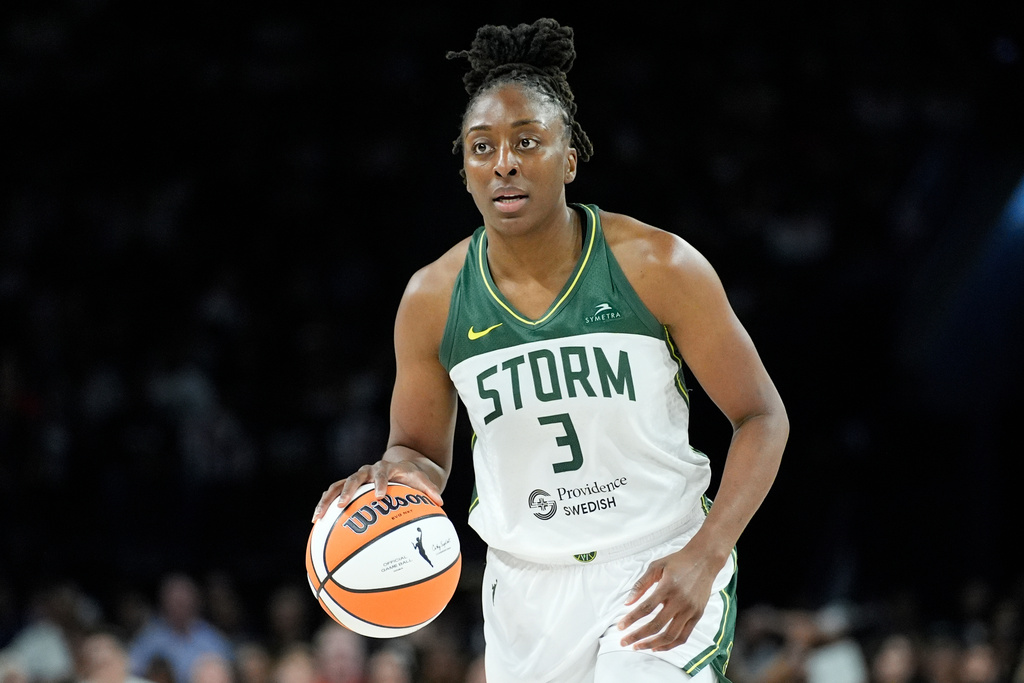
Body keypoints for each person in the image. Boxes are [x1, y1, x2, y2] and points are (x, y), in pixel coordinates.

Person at [312, 17, 788, 683]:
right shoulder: (433, 299)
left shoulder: (659, 265)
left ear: (569, 157)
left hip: (654, 561)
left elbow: (763, 417)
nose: (502, 161)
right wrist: (397, 479)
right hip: (526, 590)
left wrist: (707, 553)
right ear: (466, 171)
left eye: (526, 141)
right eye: (482, 147)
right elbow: (418, 450)